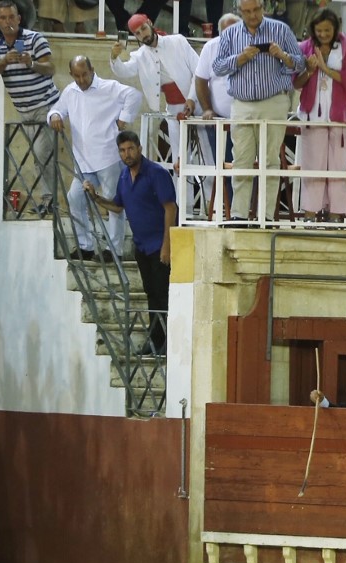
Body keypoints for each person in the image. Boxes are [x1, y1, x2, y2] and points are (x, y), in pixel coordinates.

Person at [82, 131, 177, 356]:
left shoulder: (156, 173)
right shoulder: (124, 177)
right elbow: (118, 206)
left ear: (139, 148)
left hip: (159, 246)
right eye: (123, 150)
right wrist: (96, 197)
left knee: (163, 294)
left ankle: (169, 341)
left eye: (130, 149)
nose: (127, 154)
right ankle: (155, 340)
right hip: (142, 247)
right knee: (151, 294)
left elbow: (170, 207)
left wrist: (167, 245)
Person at [213, 0, 305, 223]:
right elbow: (217, 67)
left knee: (270, 159)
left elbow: (301, 64)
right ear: (239, 12)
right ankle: (238, 215)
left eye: (256, 10)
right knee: (242, 158)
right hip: (242, 103)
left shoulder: (280, 29)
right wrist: (240, 58)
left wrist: (282, 55)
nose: (253, 15)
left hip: (274, 101)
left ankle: (266, 214)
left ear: (263, 8)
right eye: (247, 12)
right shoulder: (230, 34)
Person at [47, 56, 142, 261]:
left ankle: (114, 249)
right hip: (82, 160)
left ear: (92, 69)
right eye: (77, 76)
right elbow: (57, 109)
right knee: (74, 198)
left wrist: (124, 117)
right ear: (71, 74)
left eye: (85, 74)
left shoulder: (109, 87)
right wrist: (55, 116)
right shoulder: (70, 91)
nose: (82, 80)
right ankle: (85, 245)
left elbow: (134, 95)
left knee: (112, 201)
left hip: (107, 156)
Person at [0, 0, 59, 215]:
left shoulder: (34, 39)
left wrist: (31, 63)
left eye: (12, 17)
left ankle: (50, 202)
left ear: (19, 18)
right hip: (24, 110)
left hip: (46, 105)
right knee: (38, 157)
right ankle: (48, 201)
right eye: (4, 18)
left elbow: (51, 68)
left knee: (41, 153)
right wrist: (4, 61)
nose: (8, 22)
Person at [293, 8, 346, 222]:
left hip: (341, 117)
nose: (323, 34)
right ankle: (311, 213)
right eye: (319, 30)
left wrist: (326, 68)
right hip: (313, 116)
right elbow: (296, 83)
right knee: (313, 164)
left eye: (327, 30)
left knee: (339, 166)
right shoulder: (304, 48)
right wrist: (311, 71)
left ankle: (336, 214)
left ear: (335, 28)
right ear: (312, 29)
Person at [110, 13, 199, 172]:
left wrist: (192, 98)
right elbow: (124, 71)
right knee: (179, 160)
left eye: (144, 28)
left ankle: (210, 197)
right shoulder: (140, 55)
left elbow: (198, 70)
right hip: (173, 109)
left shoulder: (177, 41)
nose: (142, 34)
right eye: (137, 33)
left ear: (150, 23)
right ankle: (180, 197)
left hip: (196, 103)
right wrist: (114, 58)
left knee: (204, 155)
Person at [188, 12, 241, 212]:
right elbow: (200, 80)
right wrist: (208, 108)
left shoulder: (250, 46)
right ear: (220, 32)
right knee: (224, 167)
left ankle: (244, 212)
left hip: (245, 120)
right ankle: (228, 212)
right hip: (219, 121)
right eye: (226, 31)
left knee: (245, 170)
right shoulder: (211, 47)